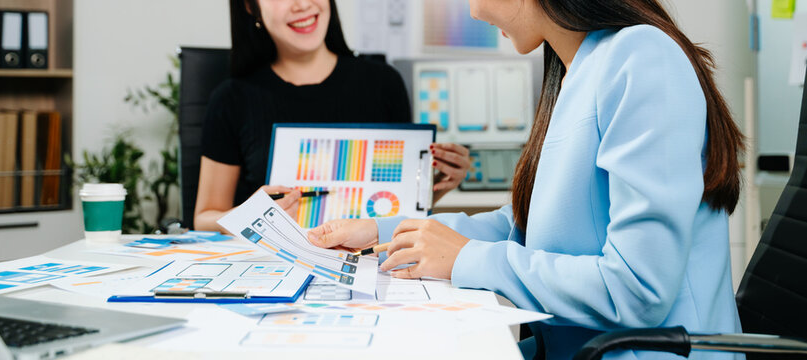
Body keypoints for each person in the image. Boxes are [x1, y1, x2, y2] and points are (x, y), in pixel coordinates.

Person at [307, 0, 745, 359]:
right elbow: (527, 225)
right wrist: (387, 234)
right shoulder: (577, 66)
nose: (474, 13)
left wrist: (468, 258)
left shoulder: (641, 56)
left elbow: (638, 289)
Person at [194, 0, 471, 232]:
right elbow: (203, 218)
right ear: (250, 7)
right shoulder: (232, 98)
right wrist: (250, 212)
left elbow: (394, 207)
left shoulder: (384, 84)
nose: (302, 4)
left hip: (364, 264)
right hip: (275, 267)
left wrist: (435, 186)